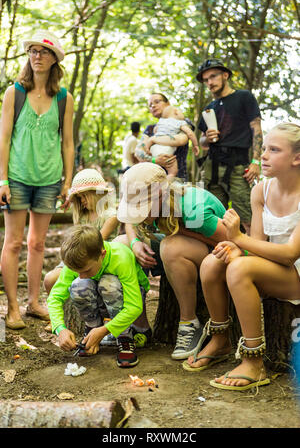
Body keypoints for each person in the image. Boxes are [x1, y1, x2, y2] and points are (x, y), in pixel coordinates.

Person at [183, 122, 300, 391]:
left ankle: (254, 361)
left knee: (239, 270)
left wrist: (238, 240)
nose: (264, 155)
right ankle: (220, 338)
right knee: (216, 261)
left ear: (297, 158)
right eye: (264, 148)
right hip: (277, 267)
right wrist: (236, 249)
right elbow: (257, 243)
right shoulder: (262, 190)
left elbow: (291, 253)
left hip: (296, 272)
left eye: (274, 149)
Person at [117, 162, 229, 360]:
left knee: (171, 247)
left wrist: (182, 231)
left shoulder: (195, 212)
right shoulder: (159, 204)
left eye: (141, 208)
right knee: (121, 244)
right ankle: (138, 325)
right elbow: (129, 222)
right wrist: (135, 242)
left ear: (159, 196)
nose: (138, 216)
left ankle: (189, 323)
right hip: (185, 244)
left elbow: (233, 241)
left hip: (218, 256)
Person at [0, 30, 74, 329]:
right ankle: (13, 308)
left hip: (48, 180)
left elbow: (67, 143)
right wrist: (1, 180)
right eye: (33, 51)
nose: (37, 56)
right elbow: (4, 139)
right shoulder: (13, 93)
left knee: (38, 243)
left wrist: (68, 181)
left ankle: (33, 303)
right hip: (17, 177)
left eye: (43, 52)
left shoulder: (63, 98)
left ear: (54, 59)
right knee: (14, 242)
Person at [47, 224, 150, 368]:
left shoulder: (120, 257)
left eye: (86, 270)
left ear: (102, 254)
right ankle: (91, 329)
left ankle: (124, 337)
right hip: (104, 299)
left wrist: (104, 330)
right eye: (77, 272)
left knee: (109, 283)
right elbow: (54, 298)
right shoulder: (77, 263)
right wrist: (60, 329)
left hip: (128, 297)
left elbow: (134, 306)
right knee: (78, 285)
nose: (81, 275)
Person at [196, 58, 263, 233]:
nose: (210, 82)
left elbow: (256, 128)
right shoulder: (208, 108)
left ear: (225, 75)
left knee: (247, 216)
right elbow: (203, 142)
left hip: (238, 164)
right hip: (213, 166)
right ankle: (224, 253)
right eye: (206, 80)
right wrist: (207, 139)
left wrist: (256, 162)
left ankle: (257, 255)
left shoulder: (243, 97)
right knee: (216, 217)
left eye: (213, 76)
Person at [43, 168, 119, 294]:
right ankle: (65, 311)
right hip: (79, 254)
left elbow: (95, 243)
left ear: (97, 193)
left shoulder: (110, 216)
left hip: (97, 258)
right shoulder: (82, 216)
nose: (82, 200)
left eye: (84, 196)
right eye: (79, 197)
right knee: (49, 280)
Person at [135, 93, 193, 181]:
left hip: (177, 180)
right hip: (152, 180)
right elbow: (138, 152)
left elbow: (181, 140)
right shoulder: (151, 128)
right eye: (150, 105)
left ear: (168, 103)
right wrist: (154, 160)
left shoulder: (181, 121)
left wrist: (153, 139)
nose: (153, 106)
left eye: (157, 102)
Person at [144, 105, 199, 178]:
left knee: (153, 172)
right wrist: (195, 145)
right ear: (176, 113)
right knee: (173, 172)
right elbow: (190, 133)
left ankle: (147, 150)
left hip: (154, 149)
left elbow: (155, 131)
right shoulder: (180, 123)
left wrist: (148, 148)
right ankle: (167, 182)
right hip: (166, 151)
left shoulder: (161, 121)